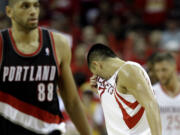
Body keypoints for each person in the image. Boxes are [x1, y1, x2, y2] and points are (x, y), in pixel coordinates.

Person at [0, 0, 92, 135]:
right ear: (9, 11)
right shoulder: (2, 45)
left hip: (49, 129)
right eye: (25, 6)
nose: (32, 11)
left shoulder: (58, 44)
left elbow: (72, 102)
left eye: (35, 6)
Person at [87, 43, 162, 135]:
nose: (96, 76)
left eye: (95, 72)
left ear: (97, 65)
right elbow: (121, 103)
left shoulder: (128, 71)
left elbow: (151, 104)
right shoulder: (110, 78)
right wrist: (98, 90)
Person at [152, 52, 180, 135]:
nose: (160, 74)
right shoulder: (152, 92)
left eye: (164, 70)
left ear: (174, 67)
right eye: (157, 71)